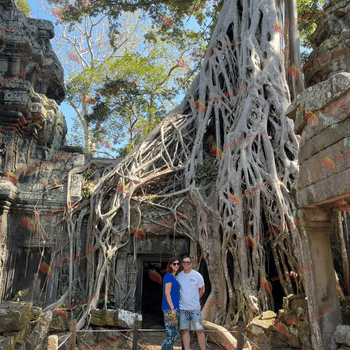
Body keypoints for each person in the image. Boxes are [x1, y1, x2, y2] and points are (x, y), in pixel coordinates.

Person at [177, 256, 206, 350]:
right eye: (184, 262)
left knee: (199, 330)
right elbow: (176, 290)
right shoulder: (179, 276)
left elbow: (202, 289)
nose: (186, 264)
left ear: (192, 263)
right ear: (182, 264)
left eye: (188, 262)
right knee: (185, 330)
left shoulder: (197, 275)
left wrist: (196, 299)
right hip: (183, 308)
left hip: (195, 308)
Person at [161, 257, 181, 350]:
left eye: (177, 264)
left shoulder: (174, 276)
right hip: (169, 308)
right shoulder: (168, 276)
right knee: (171, 333)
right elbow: (167, 293)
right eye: (174, 264)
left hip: (175, 307)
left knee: (174, 332)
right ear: (170, 265)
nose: (176, 265)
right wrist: (172, 309)